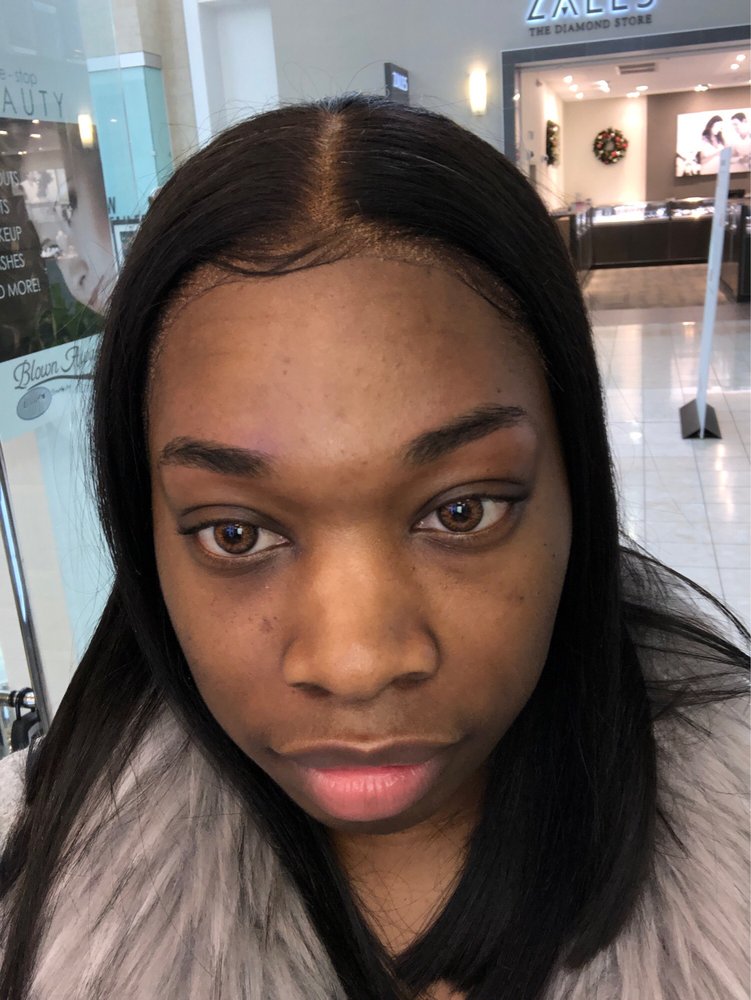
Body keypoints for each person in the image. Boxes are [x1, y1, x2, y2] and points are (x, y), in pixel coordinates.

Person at [0, 96, 748, 1000]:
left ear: (574, 494)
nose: (354, 665)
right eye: (236, 533)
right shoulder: (24, 876)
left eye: (462, 513)